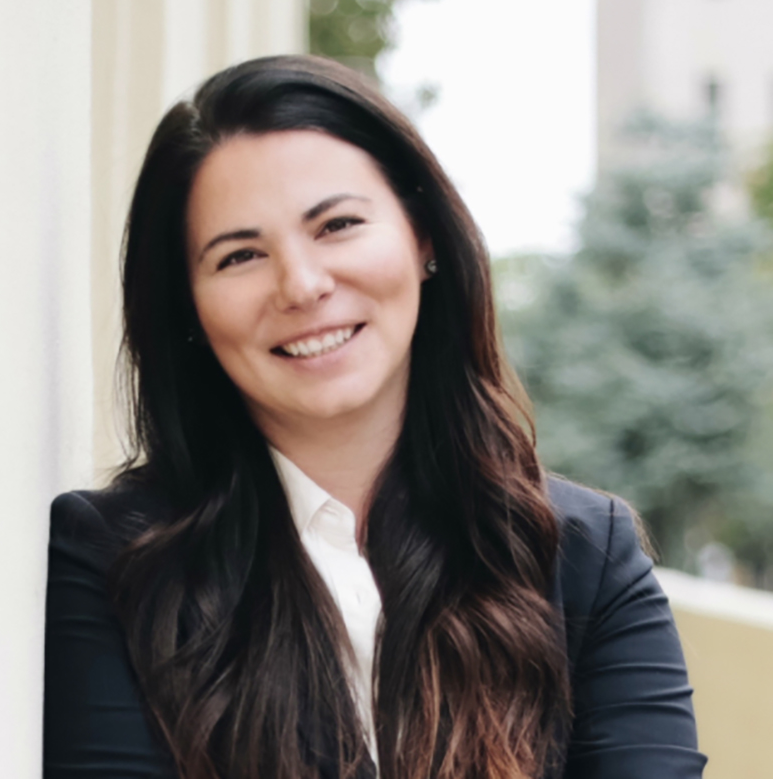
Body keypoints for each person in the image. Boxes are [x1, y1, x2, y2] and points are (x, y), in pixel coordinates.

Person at [43, 55, 706, 779]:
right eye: (239, 256)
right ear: (190, 309)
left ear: (422, 238)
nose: (301, 285)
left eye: (337, 225)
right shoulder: (111, 562)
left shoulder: (583, 559)